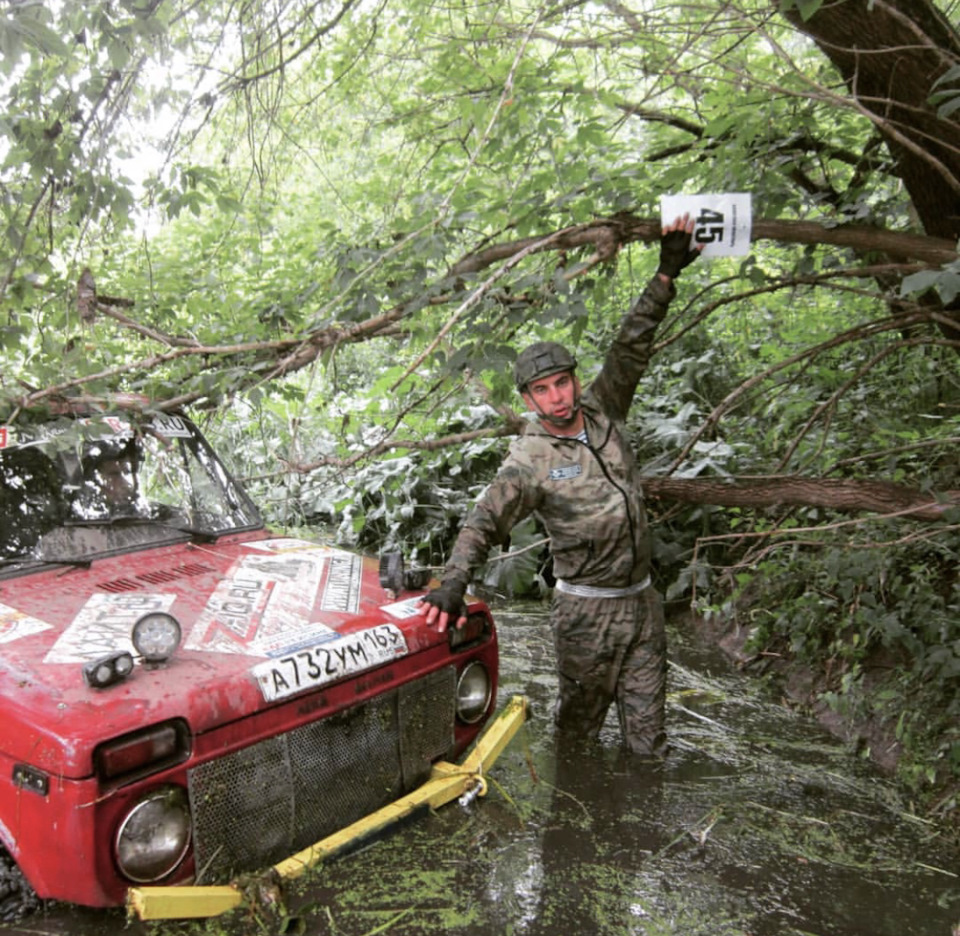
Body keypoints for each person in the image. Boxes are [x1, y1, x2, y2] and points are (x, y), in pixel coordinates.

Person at [419, 214, 702, 757]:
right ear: (528, 400)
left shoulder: (604, 409)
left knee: (650, 743)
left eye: (563, 383)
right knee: (578, 739)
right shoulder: (530, 460)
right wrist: (454, 582)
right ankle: (572, 826)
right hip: (586, 615)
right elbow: (483, 520)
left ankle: (640, 824)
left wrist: (666, 274)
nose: (558, 398)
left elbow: (632, 343)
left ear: (575, 380)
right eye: (543, 390)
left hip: (643, 603)